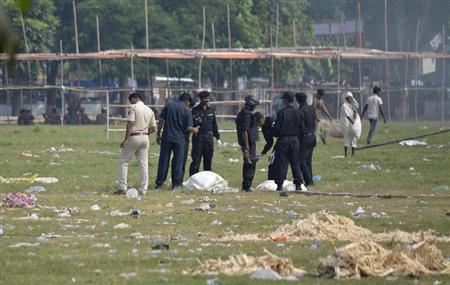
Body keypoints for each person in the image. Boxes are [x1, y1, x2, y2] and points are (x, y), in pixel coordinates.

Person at [155, 93, 199, 189]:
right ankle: (176, 184)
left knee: (163, 160)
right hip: (180, 140)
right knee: (178, 162)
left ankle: (159, 183)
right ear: (187, 101)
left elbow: (161, 121)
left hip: (167, 138)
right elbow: (188, 128)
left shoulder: (169, 105)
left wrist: (158, 134)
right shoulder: (187, 110)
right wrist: (195, 129)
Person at [116, 92, 157, 195]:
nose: (130, 102)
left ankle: (122, 187)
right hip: (145, 137)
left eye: (131, 100)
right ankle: (143, 189)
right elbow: (154, 128)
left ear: (134, 99)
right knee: (143, 164)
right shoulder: (149, 110)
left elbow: (129, 124)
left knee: (123, 161)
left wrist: (126, 139)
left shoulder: (133, 107)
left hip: (134, 136)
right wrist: (145, 133)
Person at [270, 92, 307, 192]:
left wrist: (274, 132)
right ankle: (298, 184)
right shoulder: (299, 112)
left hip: (283, 141)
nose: (282, 101)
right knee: (295, 163)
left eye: (283, 99)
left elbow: (276, 129)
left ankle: (280, 185)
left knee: (282, 163)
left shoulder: (281, 112)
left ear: (286, 100)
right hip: (295, 141)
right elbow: (303, 129)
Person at [189, 91, 222, 176]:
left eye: (208, 98)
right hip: (198, 137)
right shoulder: (195, 110)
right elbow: (190, 124)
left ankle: (207, 181)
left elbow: (215, 125)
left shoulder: (211, 110)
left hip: (208, 137)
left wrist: (218, 138)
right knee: (196, 160)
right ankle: (193, 179)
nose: (207, 100)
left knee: (208, 160)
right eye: (205, 98)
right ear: (201, 99)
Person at [235, 95, 259, 192]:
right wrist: (246, 147)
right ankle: (247, 186)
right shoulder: (247, 115)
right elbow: (244, 131)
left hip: (247, 142)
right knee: (250, 163)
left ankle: (246, 185)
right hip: (249, 143)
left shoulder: (242, 113)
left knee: (248, 162)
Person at [296, 92, 316, 186]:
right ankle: (310, 180)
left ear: (298, 100)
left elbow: (300, 126)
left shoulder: (301, 110)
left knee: (301, 160)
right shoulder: (312, 109)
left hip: (305, 137)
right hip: (313, 136)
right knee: (308, 161)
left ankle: (308, 181)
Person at [181, 96, 196, 180]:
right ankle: (179, 180)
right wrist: (194, 129)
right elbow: (189, 128)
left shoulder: (189, 112)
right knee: (181, 161)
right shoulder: (187, 113)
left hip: (185, 138)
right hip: (183, 139)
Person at [341, 92, 358, 157]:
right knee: (347, 139)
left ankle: (352, 155)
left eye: (351, 98)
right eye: (349, 98)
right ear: (346, 98)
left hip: (352, 124)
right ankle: (345, 154)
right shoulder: (344, 106)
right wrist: (352, 122)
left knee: (354, 139)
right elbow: (347, 115)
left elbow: (357, 106)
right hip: (346, 124)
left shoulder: (351, 106)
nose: (350, 99)